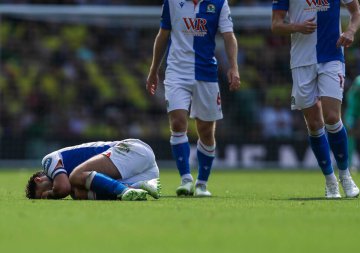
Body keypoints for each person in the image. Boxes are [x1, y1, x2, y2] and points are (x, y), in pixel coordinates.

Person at [146, 0, 240, 197]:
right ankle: (186, 180)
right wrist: (154, 70)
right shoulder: (172, 2)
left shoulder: (219, 4)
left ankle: (202, 184)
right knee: (178, 122)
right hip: (176, 72)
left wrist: (233, 67)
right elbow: (163, 34)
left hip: (206, 74)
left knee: (206, 131)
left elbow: (229, 36)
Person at [271, 0, 360, 198]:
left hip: (332, 57)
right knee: (314, 124)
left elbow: (357, 12)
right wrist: (296, 27)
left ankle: (345, 175)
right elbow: (276, 25)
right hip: (301, 61)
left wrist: (350, 31)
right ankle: (330, 181)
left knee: (332, 117)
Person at [25, 139, 161, 201]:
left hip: (132, 150)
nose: (48, 195)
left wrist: (49, 194)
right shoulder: (75, 189)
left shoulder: (48, 161)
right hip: (147, 171)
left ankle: (124, 190)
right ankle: (141, 185)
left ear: (39, 179)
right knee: (79, 193)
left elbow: (62, 188)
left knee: (75, 176)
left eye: (42, 192)